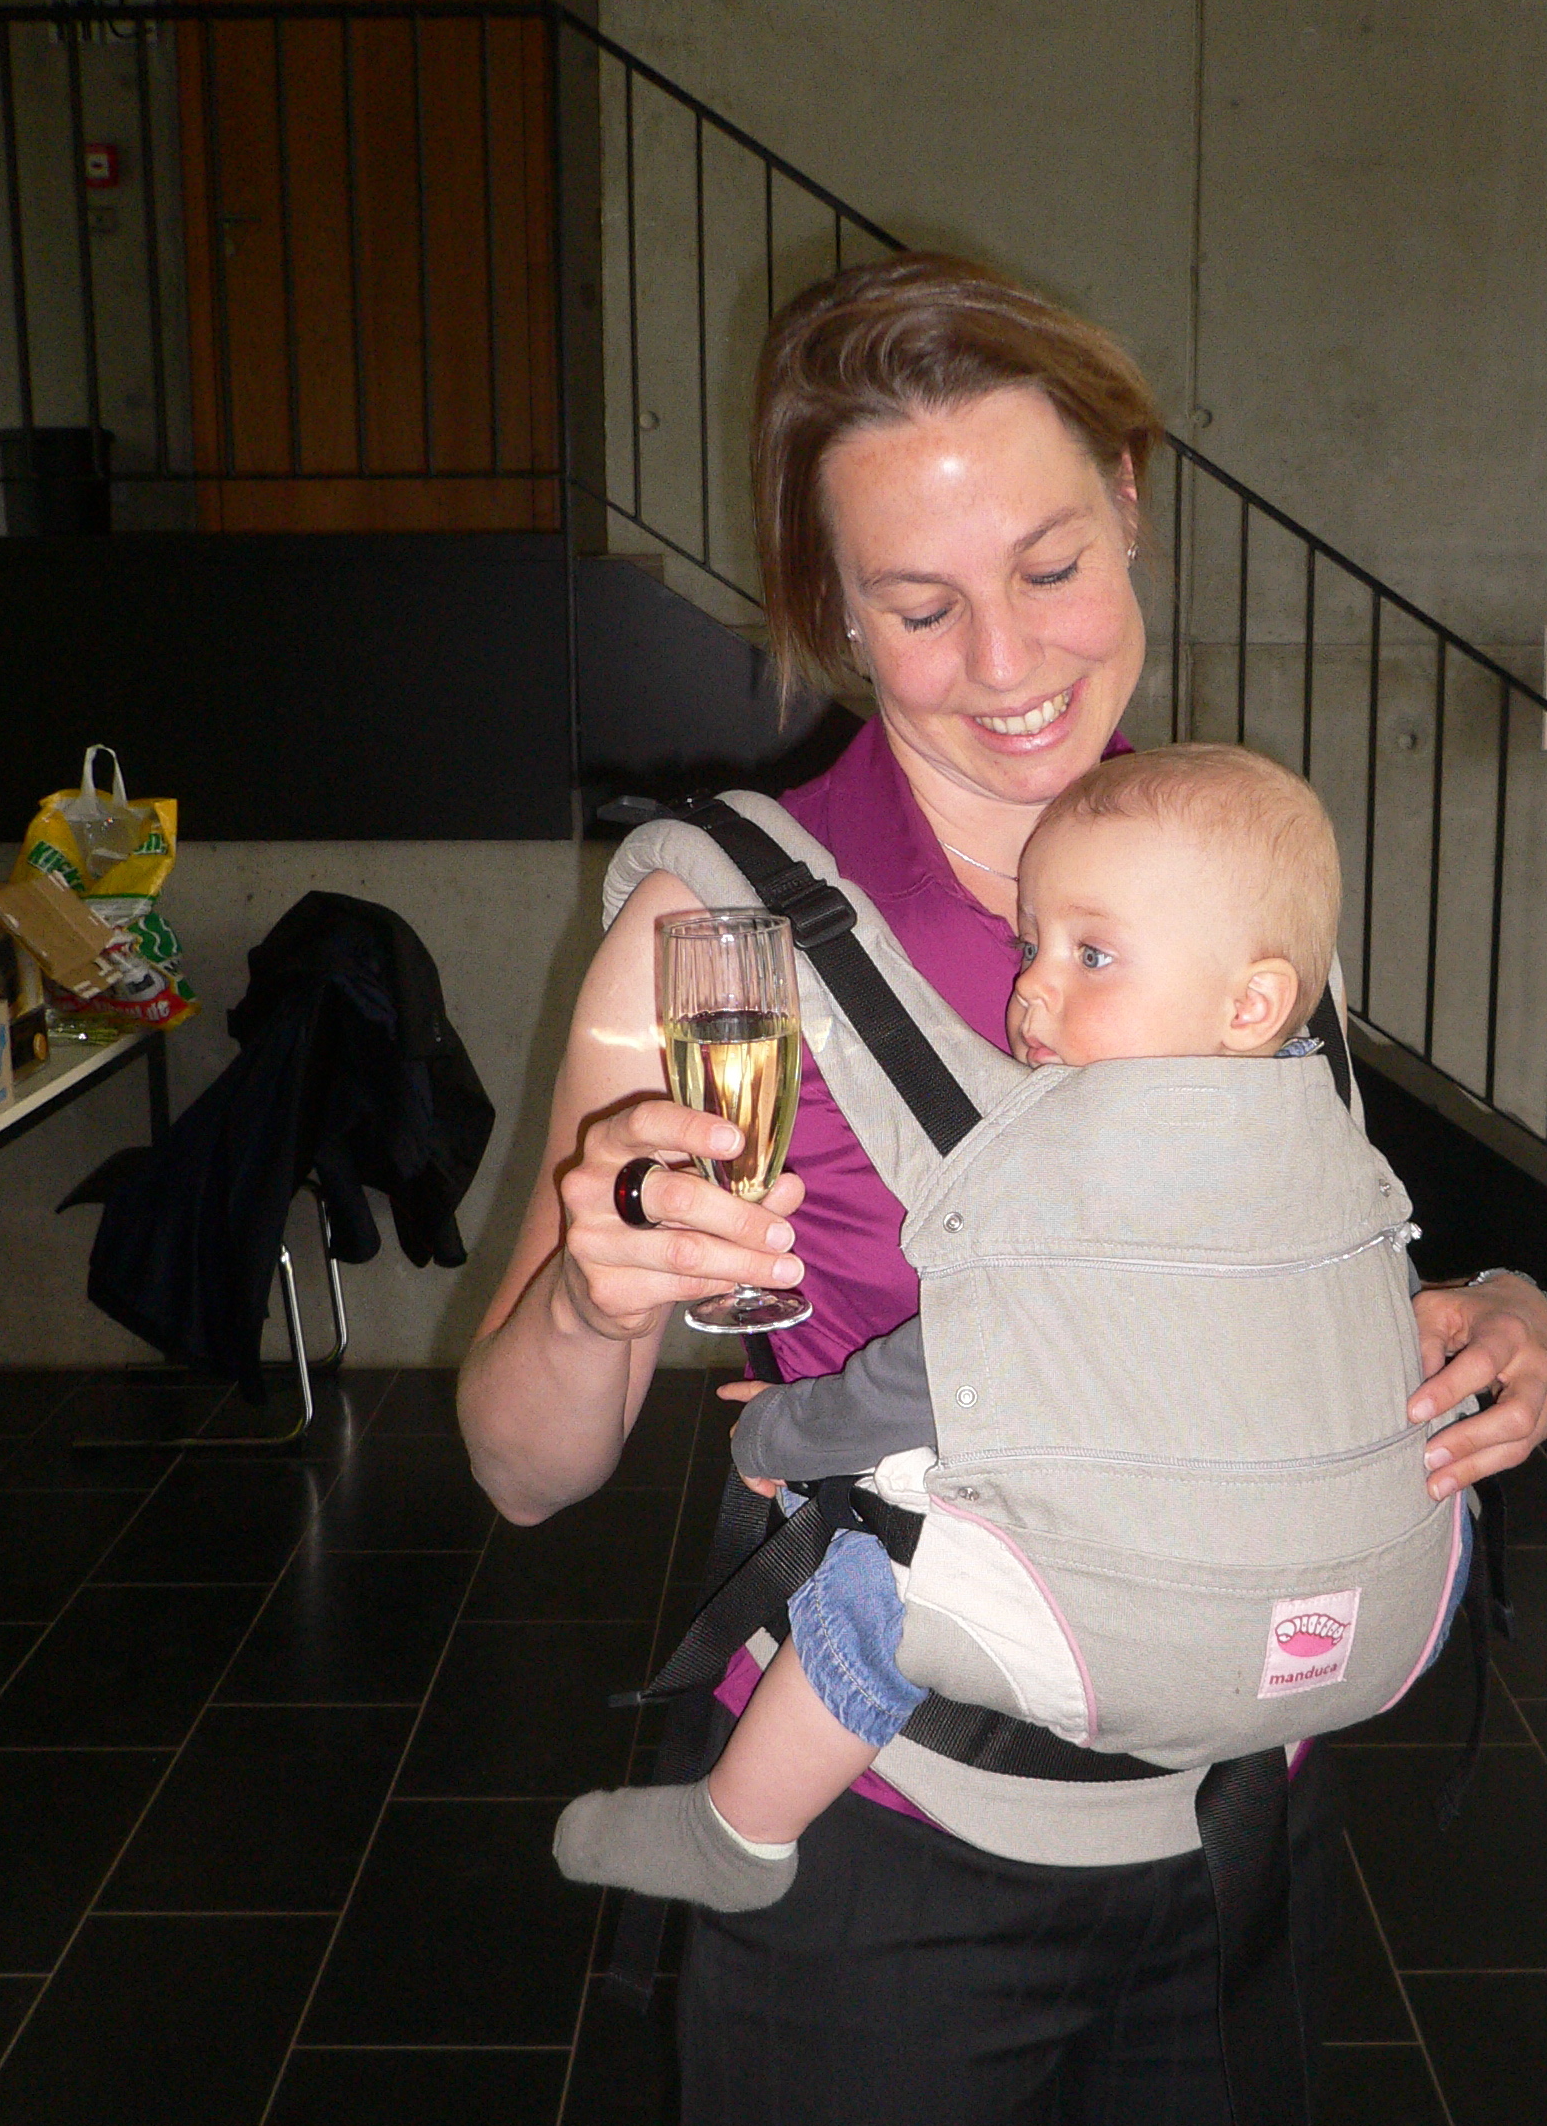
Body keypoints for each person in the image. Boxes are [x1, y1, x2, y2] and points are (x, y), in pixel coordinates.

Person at [458, 252, 1547, 2126]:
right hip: (884, 1854)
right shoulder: (717, 925)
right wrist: (596, 1288)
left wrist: (1489, 1314)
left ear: (1134, 503)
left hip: (1222, 1828)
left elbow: (1265, 1276)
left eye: (1051, 565)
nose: (1007, 661)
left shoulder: (1220, 859)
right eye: (918, 603)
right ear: (833, 614)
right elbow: (522, 1471)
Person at [550, 742, 1472, 1914]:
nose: (1032, 988)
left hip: (1122, 1635)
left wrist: (778, 1433)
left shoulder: (1078, 1162)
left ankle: (739, 1829)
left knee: (875, 1578)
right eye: (1033, 944)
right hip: (1387, 1615)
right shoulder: (1322, 1139)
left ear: (1249, 1002)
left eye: (1092, 955)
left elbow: (939, 1377)